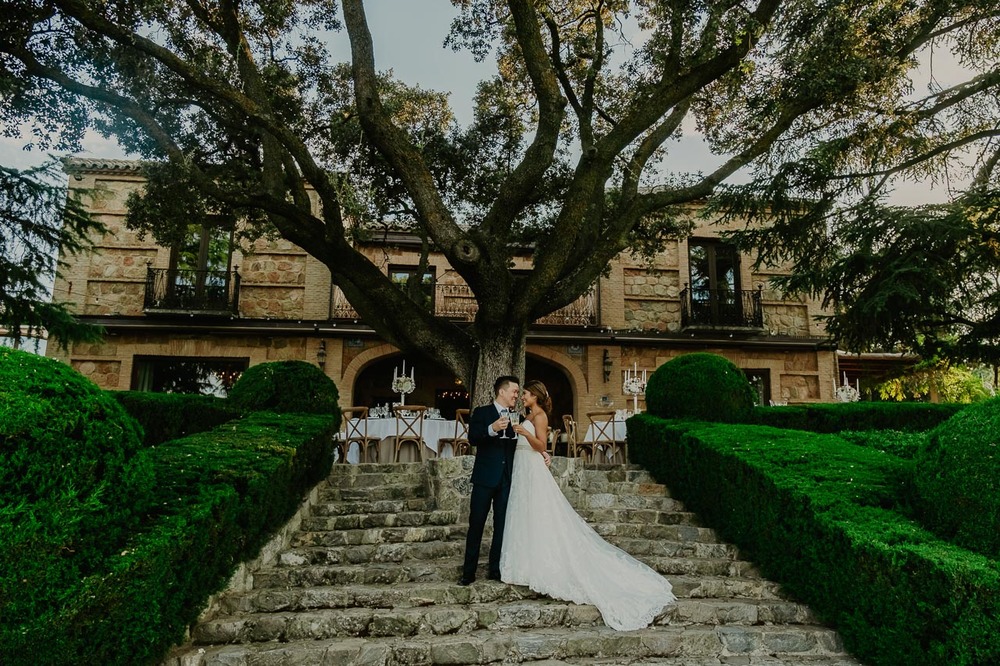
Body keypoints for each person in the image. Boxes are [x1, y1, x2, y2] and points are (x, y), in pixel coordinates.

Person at [502, 380, 676, 631]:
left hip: (531, 470)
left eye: (526, 394)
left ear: (536, 397)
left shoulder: (538, 416)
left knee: (540, 513)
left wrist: (526, 434)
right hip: (523, 467)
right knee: (525, 514)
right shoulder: (528, 414)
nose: (523, 398)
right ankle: (523, 563)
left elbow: (541, 444)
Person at [459, 375, 521, 585]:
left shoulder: (516, 416)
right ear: (501, 392)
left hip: (506, 479)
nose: (516, 395)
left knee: (502, 525)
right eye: (514, 391)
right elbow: (473, 438)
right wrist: (492, 429)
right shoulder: (482, 412)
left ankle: (496, 570)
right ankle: (468, 573)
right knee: (476, 524)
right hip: (485, 477)